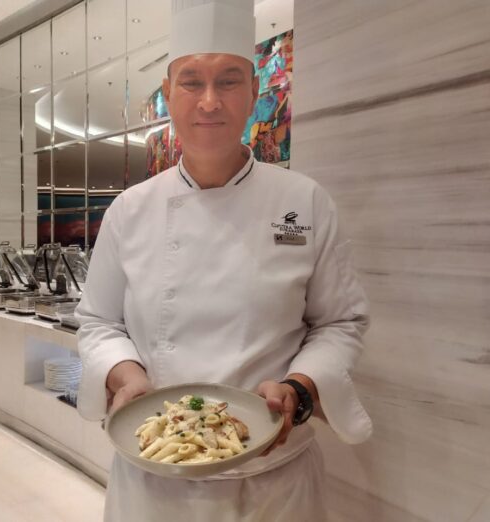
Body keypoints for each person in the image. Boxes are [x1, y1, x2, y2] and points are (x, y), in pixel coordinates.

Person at [75, 1, 372, 520]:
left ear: (254, 93)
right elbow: (99, 322)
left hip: (275, 483)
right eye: (192, 82)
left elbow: (340, 322)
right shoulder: (129, 210)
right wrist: (125, 376)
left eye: (229, 81)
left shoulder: (304, 202)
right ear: (168, 94)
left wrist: (299, 390)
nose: (209, 101)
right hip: (152, 475)